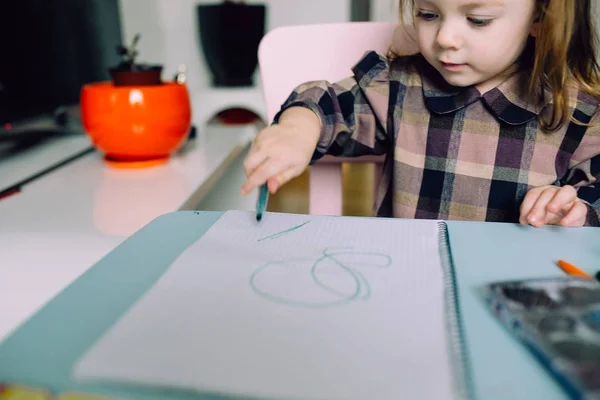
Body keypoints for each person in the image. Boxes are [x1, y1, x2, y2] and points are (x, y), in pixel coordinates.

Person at [241, 0, 600, 227]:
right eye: (427, 14)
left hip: (512, 298)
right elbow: (330, 105)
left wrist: (576, 207)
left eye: (477, 19)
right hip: (403, 287)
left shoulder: (579, 112)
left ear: (540, 16)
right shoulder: (400, 88)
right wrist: (298, 128)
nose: (445, 37)